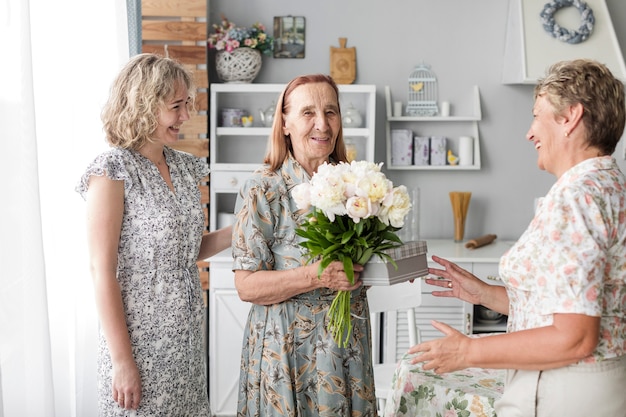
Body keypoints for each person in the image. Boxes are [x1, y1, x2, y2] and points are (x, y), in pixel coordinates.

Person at [409, 58, 626, 416]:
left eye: (537, 114)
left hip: (564, 391)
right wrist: (487, 295)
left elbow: (575, 337)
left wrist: (468, 351)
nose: (529, 132)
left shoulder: (576, 197)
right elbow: (572, 306)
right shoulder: (609, 186)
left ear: (570, 117)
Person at [76, 53, 232, 415]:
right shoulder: (112, 170)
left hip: (187, 341)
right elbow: (102, 271)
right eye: (177, 106)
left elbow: (184, 251)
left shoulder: (183, 167)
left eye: (187, 105)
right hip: (139, 346)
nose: (186, 116)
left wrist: (239, 229)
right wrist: (121, 362)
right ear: (144, 105)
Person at [232, 74, 378, 416]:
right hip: (286, 352)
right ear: (285, 123)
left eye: (331, 112)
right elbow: (246, 286)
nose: (322, 124)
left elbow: (360, 265)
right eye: (308, 113)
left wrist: (390, 267)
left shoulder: (357, 187)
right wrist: (316, 276)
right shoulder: (262, 189)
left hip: (347, 348)